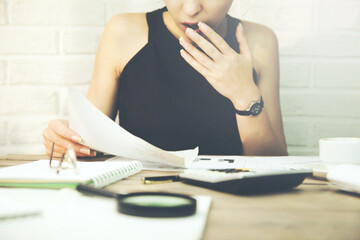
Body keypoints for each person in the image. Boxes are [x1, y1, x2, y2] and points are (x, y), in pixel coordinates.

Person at [43, 0, 288, 158]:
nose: (191, 8)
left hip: (233, 203)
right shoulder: (124, 32)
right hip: (138, 194)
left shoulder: (259, 42)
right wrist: (66, 139)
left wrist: (244, 94)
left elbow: (272, 162)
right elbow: (89, 141)